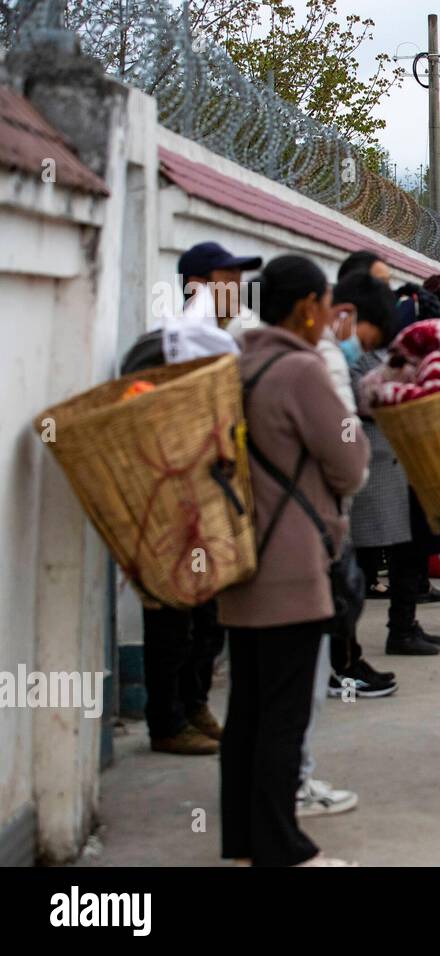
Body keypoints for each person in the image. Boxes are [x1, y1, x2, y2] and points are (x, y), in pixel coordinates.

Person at [218, 255, 370, 866]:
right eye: (326, 305)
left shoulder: (239, 365)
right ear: (308, 305)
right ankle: (282, 848)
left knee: (248, 710)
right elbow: (351, 463)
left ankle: (244, 838)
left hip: (245, 557)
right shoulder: (302, 370)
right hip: (294, 563)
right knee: (283, 712)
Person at [120, 241, 264, 756]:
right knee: (170, 616)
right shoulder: (167, 347)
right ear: (199, 285)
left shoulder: (222, 344)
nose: (237, 290)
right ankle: (167, 722)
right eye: (228, 279)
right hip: (166, 504)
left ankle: (195, 704)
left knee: (207, 618)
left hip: (210, 499)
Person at [295, 272, 400, 819]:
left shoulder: (246, 358)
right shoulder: (316, 367)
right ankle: (291, 789)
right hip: (304, 545)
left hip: (269, 544)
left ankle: (260, 805)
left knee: (263, 686)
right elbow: (347, 461)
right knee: (295, 684)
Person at [347, 261, 440, 657]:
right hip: (372, 465)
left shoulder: (389, 345)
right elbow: (359, 399)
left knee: (409, 549)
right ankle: (347, 650)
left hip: (401, 464)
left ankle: (403, 626)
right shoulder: (350, 350)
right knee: (361, 560)